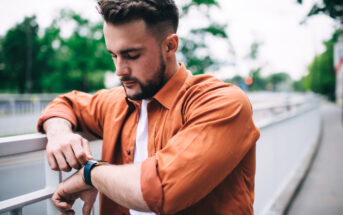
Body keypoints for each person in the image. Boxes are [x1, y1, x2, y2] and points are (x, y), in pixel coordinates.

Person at [37, 0, 260, 214]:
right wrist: (59, 133)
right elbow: (65, 104)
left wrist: (90, 174)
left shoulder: (221, 102)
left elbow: (159, 189)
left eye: (132, 55)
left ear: (170, 46)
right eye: (113, 55)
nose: (119, 70)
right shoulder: (116, 102)